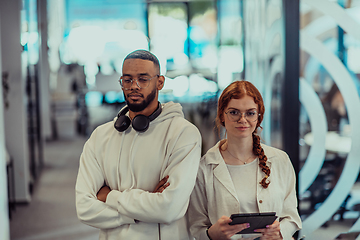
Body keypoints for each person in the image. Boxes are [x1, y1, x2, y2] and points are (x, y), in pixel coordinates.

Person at [75, 49, 202, 239]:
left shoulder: (183, 133)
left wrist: (110, 197)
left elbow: (169, 209)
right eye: (127, 80)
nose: (134, 86)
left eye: (143, 79)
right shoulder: (100, 137)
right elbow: (84, 208)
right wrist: (146, 209)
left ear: (160, 82)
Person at [187, 80, 302, 240]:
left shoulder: (280, 160)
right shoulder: (204, 168)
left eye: (250, 113)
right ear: (222, 115)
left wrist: (280, 232)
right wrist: (212, 234)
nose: (242, 119)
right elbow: (195, 227)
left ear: (258, 116)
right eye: (234, 112)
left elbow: (292, 216)